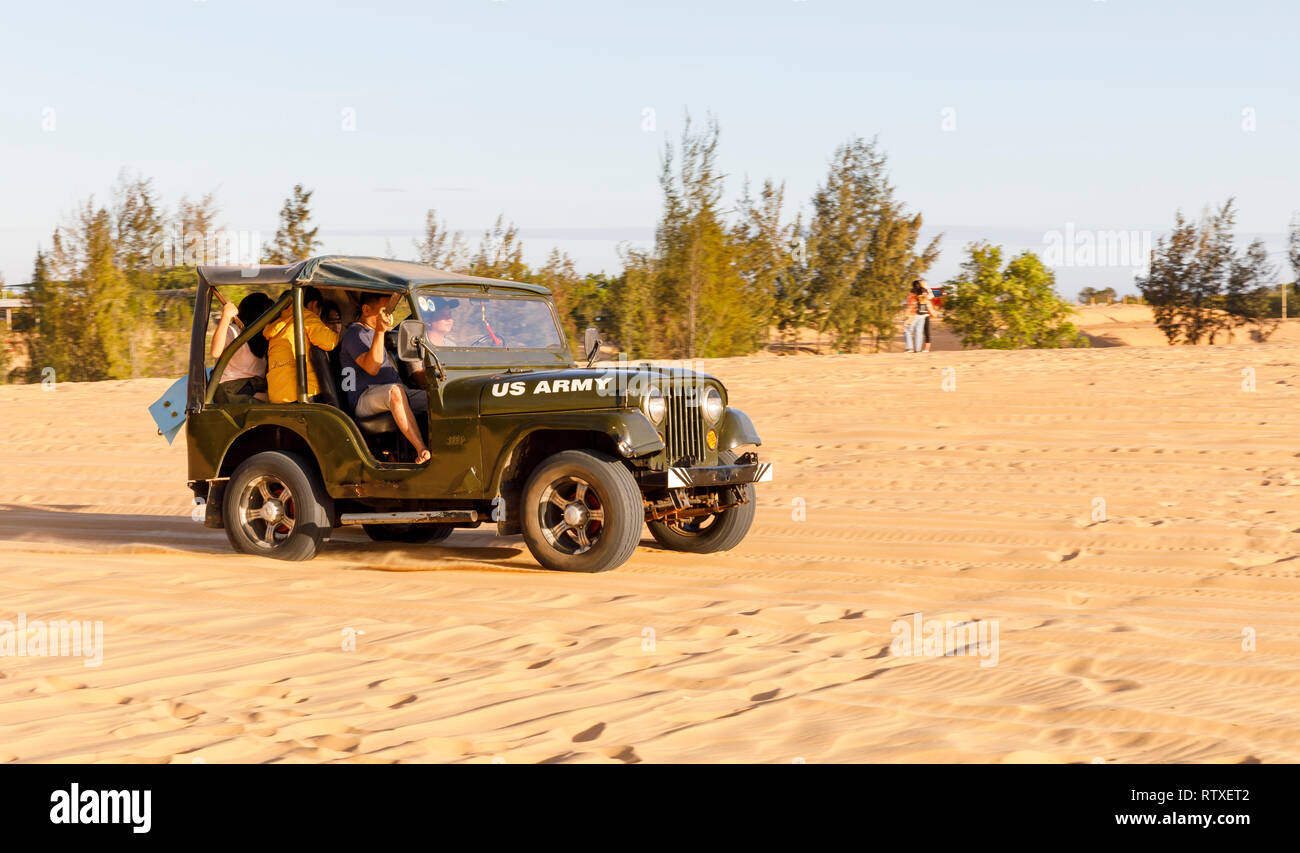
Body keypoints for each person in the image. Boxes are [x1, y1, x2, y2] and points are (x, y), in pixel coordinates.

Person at [340, 292, 432, 464]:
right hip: (364, 398)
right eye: (383, 312)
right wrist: (380, 332)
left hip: (393, 392)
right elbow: (372, 367)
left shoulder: (373, 332)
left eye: (389, 312)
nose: (388, 317)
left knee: (438, 398)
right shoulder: (354, 334)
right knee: (395, 392)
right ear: (366, 310)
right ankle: (421, 449)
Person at [264, 286, 339, 404]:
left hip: (277, 396)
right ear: (314, 304)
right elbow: (329, 342)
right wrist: (338, 335)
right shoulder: (306, 316)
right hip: (304, 393)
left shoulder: (278, 323)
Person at [211, 292, 273, 404]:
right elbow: (215, 352)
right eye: (267, 313)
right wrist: (225, 316)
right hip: (232, 390)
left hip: (253, 388)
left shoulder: (266, 335)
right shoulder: (233, 331)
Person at [904, 280, 935, 353]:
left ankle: (910, 348)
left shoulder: (912, 293)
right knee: (919, 332)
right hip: (923, 316)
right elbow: (929, 301)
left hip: (915, 315)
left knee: (907, 330)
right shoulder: (924, 292)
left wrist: (908, 314)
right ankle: (918, 350)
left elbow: (910, 304)